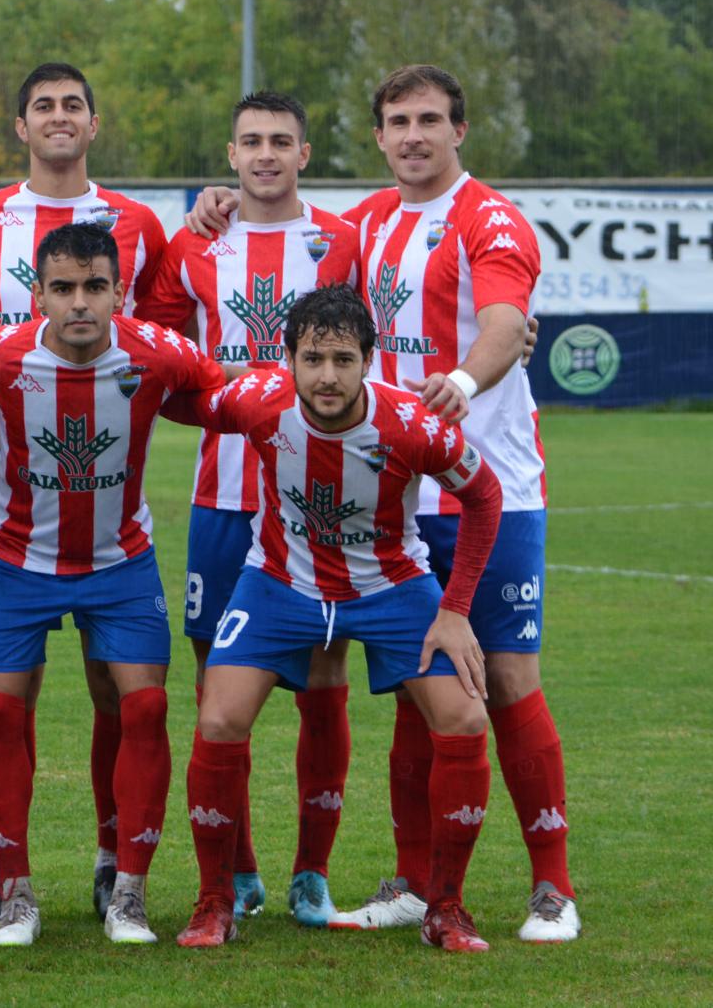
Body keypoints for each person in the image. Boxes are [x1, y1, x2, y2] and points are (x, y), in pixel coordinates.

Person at [185, 66, 577, 943]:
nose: (413, 136)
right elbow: (293, 266)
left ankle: (552, 887)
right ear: (377, 137)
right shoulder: (360, 224)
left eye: (429, 120)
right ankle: (414, 880)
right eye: (397, 122)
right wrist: (218, 206)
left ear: (459, 131)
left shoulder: (491, 218)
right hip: (388, 493)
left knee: (503, 679)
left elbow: (508, 325)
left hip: (488, 485)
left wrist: (461, 380)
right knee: (416, 691)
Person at [167, 283, 502, 953]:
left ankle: (447, 907)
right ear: (287, 358)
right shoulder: (259, 401)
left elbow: (484, 496)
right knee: (219, 717)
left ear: (368, 360)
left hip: (392, 587)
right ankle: (214, 902)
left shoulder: (410, 422)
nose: (327, 375)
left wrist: (456, 609)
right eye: (313, 358)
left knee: (465, 718)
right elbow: (178, 398)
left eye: (343, 359)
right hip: (280, 583)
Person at [0, 222, 227, 946]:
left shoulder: (156, 351)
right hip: (15, 559)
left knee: (144, 707)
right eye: (63, 288)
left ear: (120, 292)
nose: (80, 302)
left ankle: (126, 890)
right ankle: (18, 892)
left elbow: (226, 389)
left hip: (119, 561)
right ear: (38, 294)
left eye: (95, 286)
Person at [0, 61, 169, 921]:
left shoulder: (139, 223)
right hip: (8, 486)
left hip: (110, 490)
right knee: (7, 695)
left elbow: (167, 335)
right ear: (22, 126)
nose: (60, 117)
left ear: (94, 122)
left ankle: (118, 863)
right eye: (44, 105)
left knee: (121, 689)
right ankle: (11, 875)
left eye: (74, 104)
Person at [137, 91, 360, 927]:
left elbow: (385, 342)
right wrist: (229, 409)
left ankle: (313, 870)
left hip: (324, 499)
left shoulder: (345, 241)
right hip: (222, 496)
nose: (265, 154)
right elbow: (159, 360)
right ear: (229, 156)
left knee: (324, 680)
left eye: (281, 141)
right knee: (216, 684)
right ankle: (239, 869)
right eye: (250, 142)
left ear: (305, 153)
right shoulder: (197, 243)